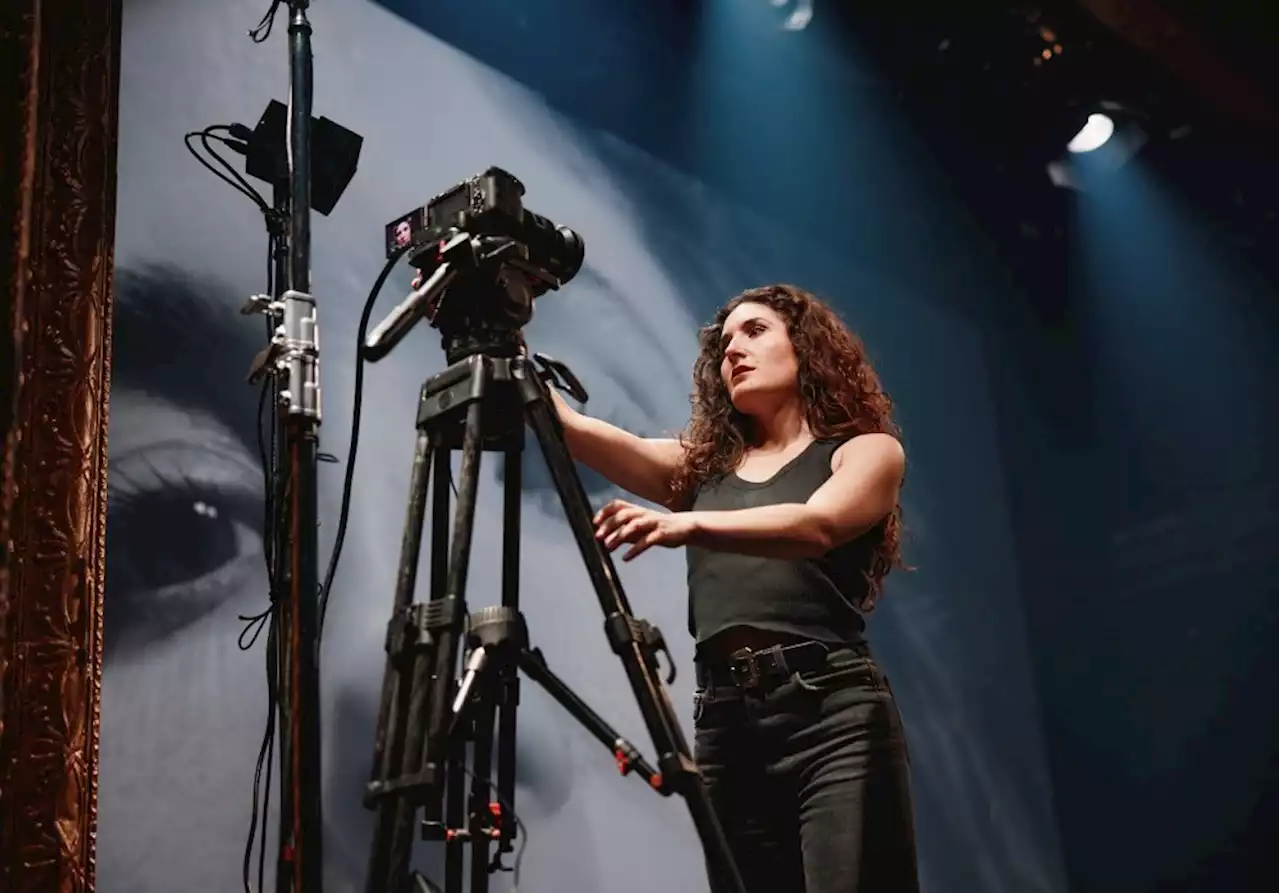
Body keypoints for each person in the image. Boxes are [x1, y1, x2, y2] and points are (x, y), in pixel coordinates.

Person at [555, 283, 920, 892]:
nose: (733, 352)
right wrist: (495, 335)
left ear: (805, 348)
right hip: (727, 728)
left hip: (832, 717)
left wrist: (686, 523)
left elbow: (818, 525)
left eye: (755, 332)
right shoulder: (703, 472)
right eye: (724, 344)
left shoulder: (867, 452)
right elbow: (572, 429)